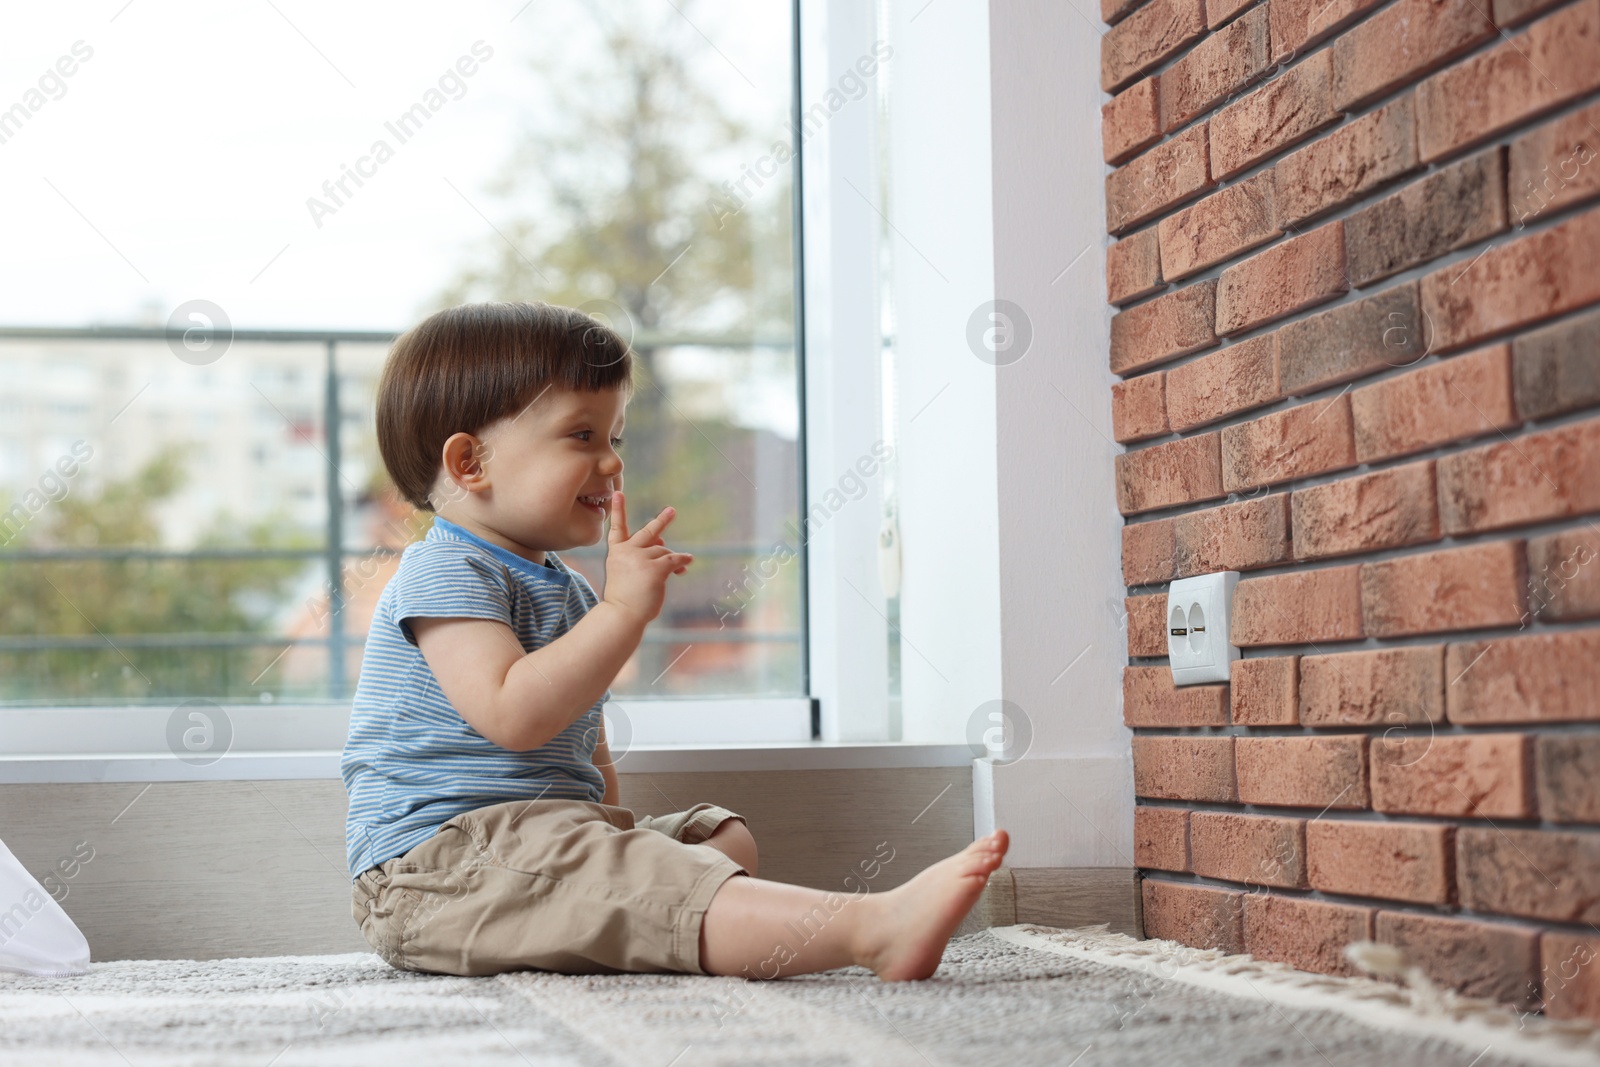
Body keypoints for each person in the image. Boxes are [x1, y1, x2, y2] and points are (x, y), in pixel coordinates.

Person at [342, 301, 1009, 981]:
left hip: (542, 835)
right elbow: (515, 714)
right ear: (470, 462)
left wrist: (610, 825)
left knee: (720, 836)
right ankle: (870, 928)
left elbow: (584, 741)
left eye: (616, 439)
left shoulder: (566, 588)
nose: (611, 464)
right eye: (582, 435)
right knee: (635, 867)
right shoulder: (445, 569)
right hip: (438, 870)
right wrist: (623, 610)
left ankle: (638, 909)